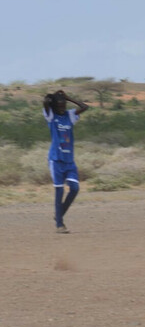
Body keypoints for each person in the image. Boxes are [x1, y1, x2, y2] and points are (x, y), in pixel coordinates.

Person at [43, 90, 89, 234]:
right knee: (60, 190)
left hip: (69, 160)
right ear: (55, 106)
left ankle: (59, 214)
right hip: (56, 159)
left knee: (75, 189)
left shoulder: (70, 115)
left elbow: (85, 107)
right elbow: (45, 103)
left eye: (64, 105)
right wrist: (50, 98)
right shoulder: (50, 116)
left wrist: (69, 97)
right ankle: (59, 225)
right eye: (59, 105)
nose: (62, 108)